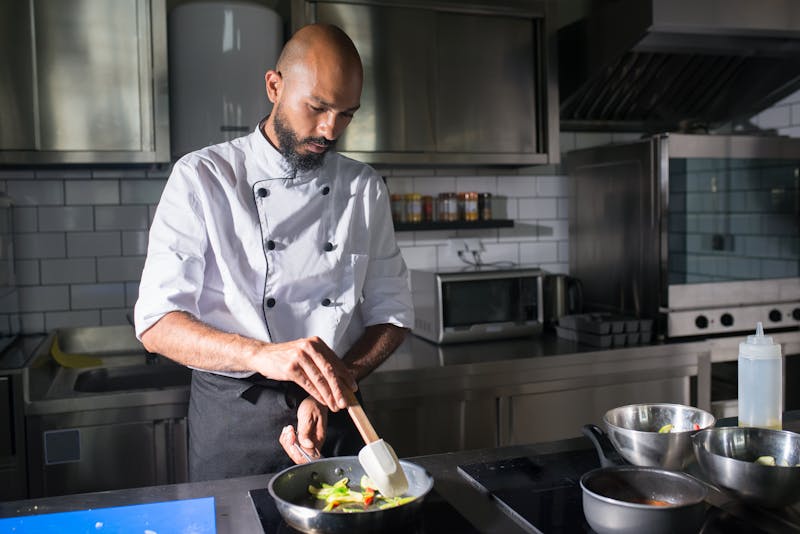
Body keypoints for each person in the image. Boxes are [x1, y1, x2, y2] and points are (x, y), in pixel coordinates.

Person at [134, 23, 413, 481]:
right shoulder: (203, 177)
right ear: (274, 86)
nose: (329, 130)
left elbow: (393, 314)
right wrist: (261, 355)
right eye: (318, 107)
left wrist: (334, 382)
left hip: (334, 411)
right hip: (233, 419)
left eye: (346, 114)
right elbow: (157, 324)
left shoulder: (364, 188)